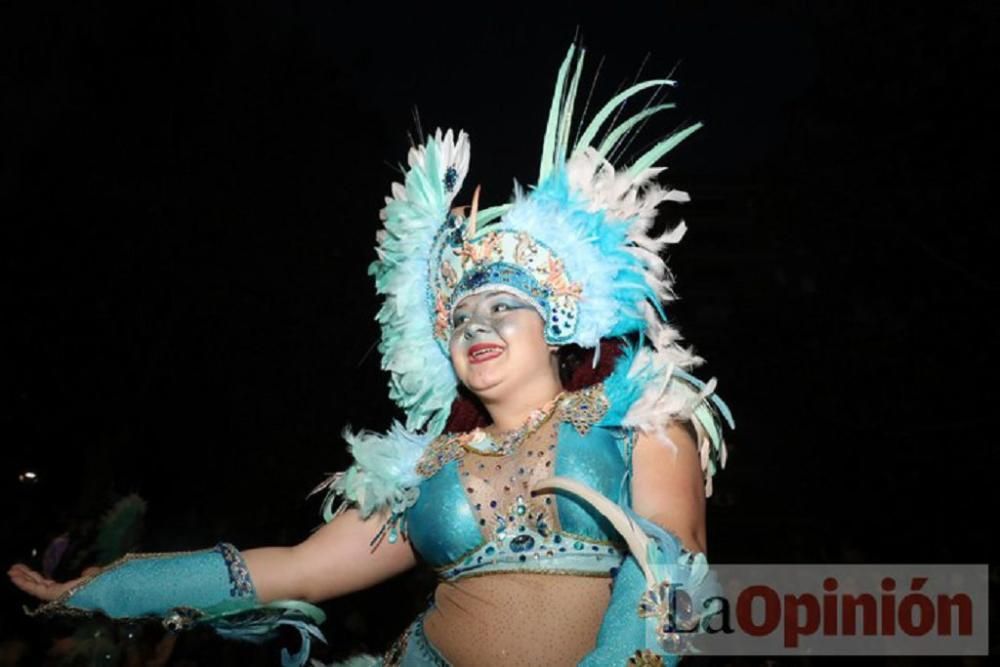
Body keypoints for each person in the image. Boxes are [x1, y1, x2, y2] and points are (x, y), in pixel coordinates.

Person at [9, 43, 733, 666]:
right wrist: (108, 586)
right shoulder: (428, 470)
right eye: (459, 316)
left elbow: (669, 564)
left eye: (504, 305)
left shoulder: (641, 416)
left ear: (558, 323)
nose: (476, 323)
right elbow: (298, 568)